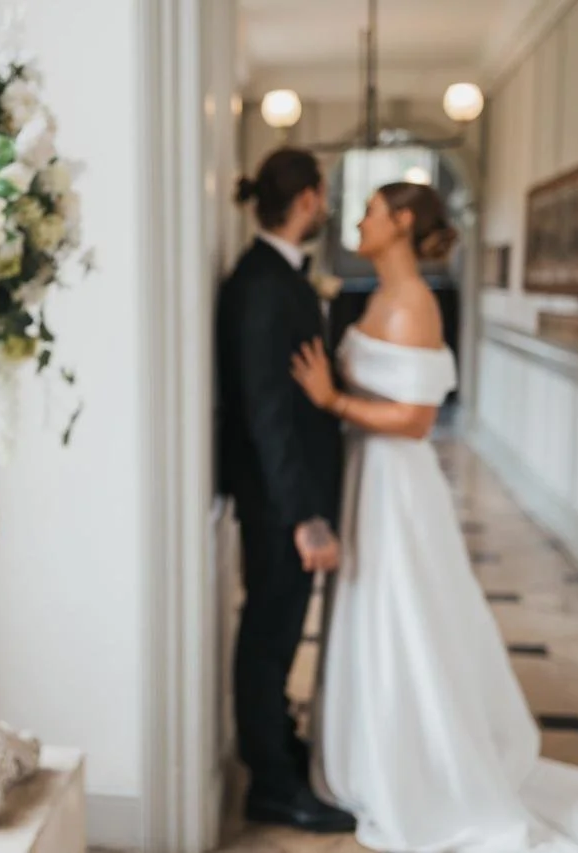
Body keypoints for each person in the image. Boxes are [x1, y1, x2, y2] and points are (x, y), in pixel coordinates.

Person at [291, 182, 578, 852]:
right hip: (367, 477)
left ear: (401, 222)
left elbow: (416, 421)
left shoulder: (416, 303)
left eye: (369, 211)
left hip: (397, 484)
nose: (356, 220)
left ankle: (422, 766)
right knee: (372, 611)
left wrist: (333, 400)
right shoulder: (378, 298)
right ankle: (368, 753)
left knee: (404, 615)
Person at [214, 148, 355, 834]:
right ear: (305, 198)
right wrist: (303, 516)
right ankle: (270, 781)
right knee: (268, 637)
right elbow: (268, 412)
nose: (325, 203)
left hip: (287, 493)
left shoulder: (276, 276)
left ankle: (279, 749)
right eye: (323, 192)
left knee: (278, 632)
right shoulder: (263, 285)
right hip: (280, 500)